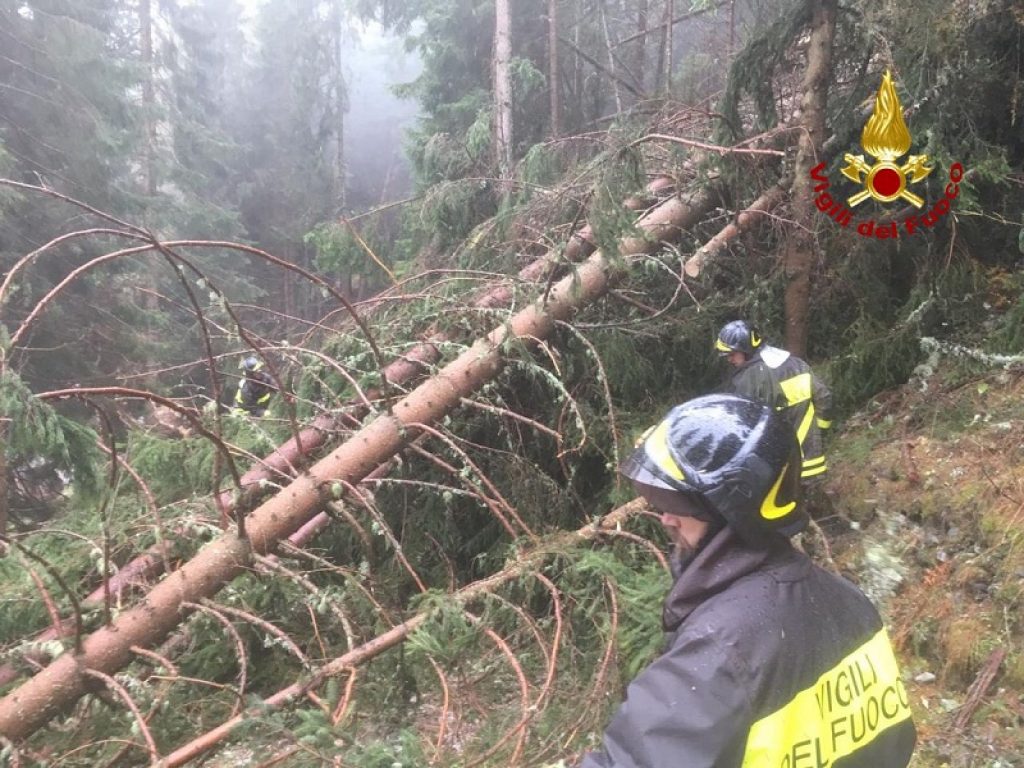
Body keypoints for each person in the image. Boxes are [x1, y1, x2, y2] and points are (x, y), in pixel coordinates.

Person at [574, 394, 916, 768]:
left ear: (732, 513)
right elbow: (897, 741)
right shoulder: (854, 604)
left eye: (679, 506)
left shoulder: (719, 649)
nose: (665, 519)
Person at [716, 320, 832, 480]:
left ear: (746, 350)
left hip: (777, 469)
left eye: (732, 354)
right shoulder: (795, 364)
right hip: (810, 462)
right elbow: (824, 398)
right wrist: (819, 431)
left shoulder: (747, 380)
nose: (729, 359)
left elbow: (743, 426)